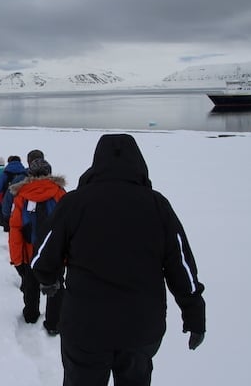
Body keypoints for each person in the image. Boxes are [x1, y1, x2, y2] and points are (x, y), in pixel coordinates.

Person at [31, 134, 206, 386]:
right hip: (141, 328)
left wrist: (48, 279)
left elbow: (42, 256)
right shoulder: (157, 205)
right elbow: (182, 266)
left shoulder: (75, 203)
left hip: (84, 328)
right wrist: (195, 314)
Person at [8, 158, 66, 335]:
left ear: (30, 174)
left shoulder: (21, 195)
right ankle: (54, 322)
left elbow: (15, 228)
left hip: (29, 250)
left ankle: (31, 315)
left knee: (30, 283)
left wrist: (17, 258)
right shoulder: (60, 194)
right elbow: (67, 226)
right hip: (55, 251)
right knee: (56, 284)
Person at [0, 155, 26, 231]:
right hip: (23, 204)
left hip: (7, 203)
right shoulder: (25, 173)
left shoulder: (5, 174)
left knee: (9, 228)